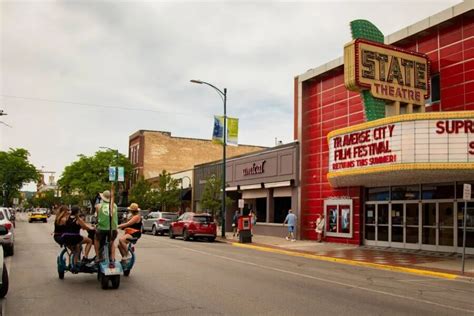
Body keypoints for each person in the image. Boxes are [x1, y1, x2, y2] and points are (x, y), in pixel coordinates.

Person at [94, 190, 118, 263]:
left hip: (102, 229)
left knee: (96, 239)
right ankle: (112, 258)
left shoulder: (98, 206)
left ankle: (98, 257)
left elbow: (97, 218)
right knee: (112, 242)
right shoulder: (115, 205)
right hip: (113, 229)